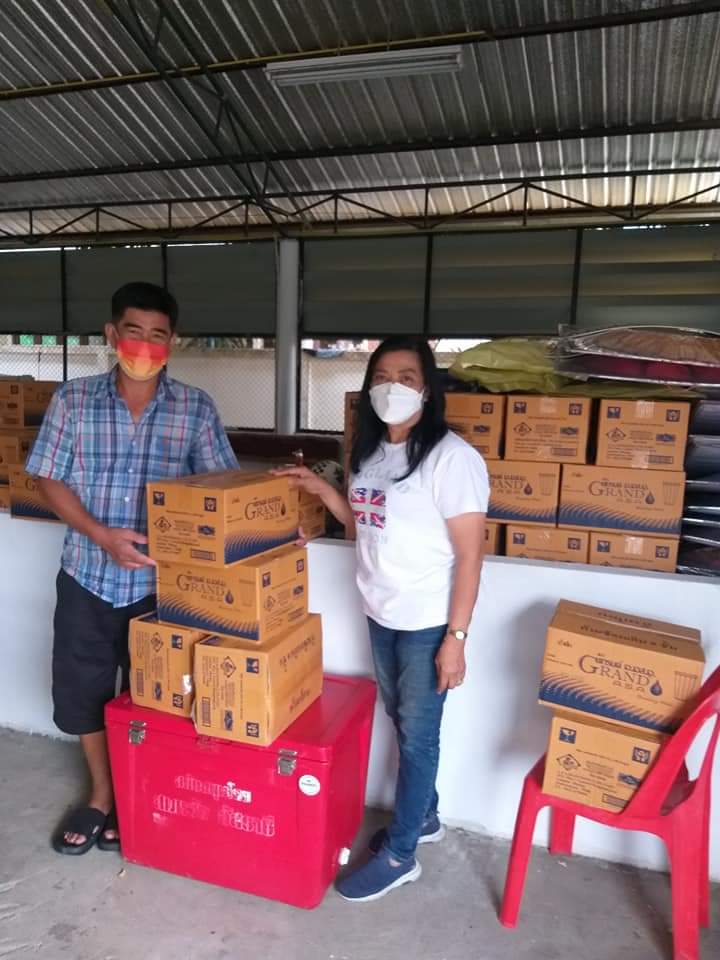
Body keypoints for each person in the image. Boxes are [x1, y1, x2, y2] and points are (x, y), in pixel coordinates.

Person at [26, 281, 238, 856]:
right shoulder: (74, 400)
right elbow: (47, 478)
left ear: (174, 341)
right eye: (133, 331)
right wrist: (101, 536)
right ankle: (102, 793)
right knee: (83, 691)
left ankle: (138, 791)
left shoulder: (195, 408)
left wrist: (267, 526)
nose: (144, 345)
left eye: (157, 335)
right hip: (87, 576)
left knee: (157, 695)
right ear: (111, 334)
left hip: (163, 586)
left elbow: (222, 488)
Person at [277, 335, 488, 902]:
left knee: (418, 739)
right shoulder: (369, 454)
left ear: (428, 390)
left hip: (428, 623)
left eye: (408, 377)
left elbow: (471, 556)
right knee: (400, 718)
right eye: (383, 376)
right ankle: (426, 815)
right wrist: (321, 491)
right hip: (380, 613)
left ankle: (401, 853)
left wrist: (456, 638)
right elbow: (363, 524)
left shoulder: (452, 459)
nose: (393, 387)